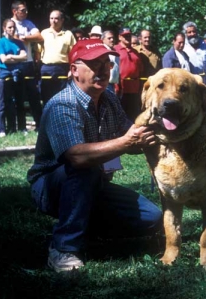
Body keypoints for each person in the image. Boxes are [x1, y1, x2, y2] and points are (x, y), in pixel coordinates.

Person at [27, 40, 161, 272]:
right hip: (50, 187)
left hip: (92, 185)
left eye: (106, 63)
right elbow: (77, 157)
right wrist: (128, 141)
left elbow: (130, 135)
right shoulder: (62, 104)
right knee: (84, 167)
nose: (102, 69)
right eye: (93, 64)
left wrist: (154, 135)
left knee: (152, 217)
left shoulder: (109, 99)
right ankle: (64, 247)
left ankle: (83, 228)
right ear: (74, 70)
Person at [10, 0, 43, 129]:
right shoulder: (10, 23)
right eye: (23, 10)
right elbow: (14, 37)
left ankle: (40, 125)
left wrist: (25, 38)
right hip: (15, 64)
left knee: (33, 95)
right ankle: (21, 127)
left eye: (26, 10)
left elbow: (39, 37)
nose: (26, 12)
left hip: (28, 63)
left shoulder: (28, 23)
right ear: (15, 11)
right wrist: (29, 37)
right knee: (18, 96)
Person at [0, 19, 28, 136]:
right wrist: (16, 57)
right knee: (4, 103)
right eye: (9, 27)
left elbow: (25, 57)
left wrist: (11, 56)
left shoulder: (19, 42)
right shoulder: (0, 42)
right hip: (5, 75)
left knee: (20, 102)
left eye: (13, 27)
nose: (12, 29)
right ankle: (2, 130)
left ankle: (22, 128)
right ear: (4, 29)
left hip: (18, 74)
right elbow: (3, 59)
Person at [40, 10, 76, 107]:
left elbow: (74, 54)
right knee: (46, 99)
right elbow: (38, 52)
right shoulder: (43, 33)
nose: (53, 21)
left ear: (62, 20)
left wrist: (71, 70)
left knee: (62, 98)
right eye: (51, 18)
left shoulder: (68, 34)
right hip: (46, 69)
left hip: (62, 69)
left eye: (56, 18)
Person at [114, 28, 144, 121]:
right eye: (125, 36)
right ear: (119, 37)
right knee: (120, 114)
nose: (127, 37)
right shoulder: (115, 49)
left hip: (134, 89)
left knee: (133, 115)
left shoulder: (135, 52)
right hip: (120, 88)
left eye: (129, 35)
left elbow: (140, 69)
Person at [182, 21, 206, 94]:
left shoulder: (204, 45)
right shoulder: (183, 46)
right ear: (185, 34)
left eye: (194, 31)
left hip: (205, 84)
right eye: (189, 32)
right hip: (190, 85)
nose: (192, 34)